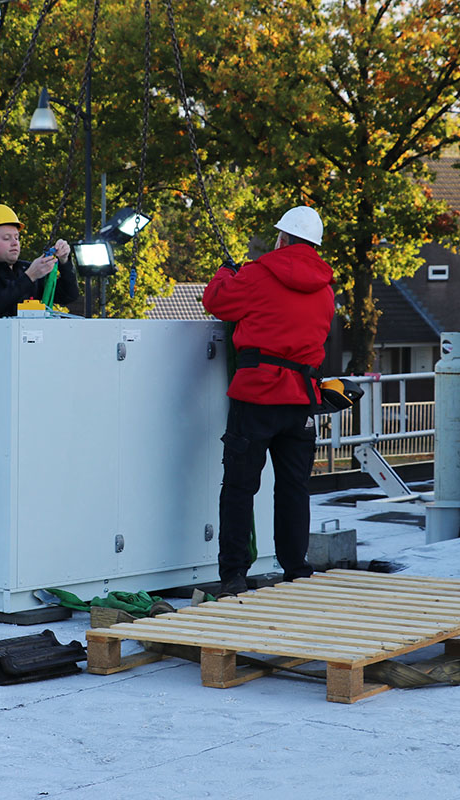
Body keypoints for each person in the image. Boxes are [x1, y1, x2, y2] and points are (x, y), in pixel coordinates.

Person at [201, 206, 336, 595]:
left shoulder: (258, 275)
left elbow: (218, 301)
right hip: (303, 399)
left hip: (257, 394)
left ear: (283, 238)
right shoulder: (325, 288)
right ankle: (295, 568)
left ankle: (233, 575)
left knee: (240, 487)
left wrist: (228, 272)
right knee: (294, 487)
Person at [0, 204, 79, 317]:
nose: (14, 243)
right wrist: (29, 277)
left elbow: (68, 296)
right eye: (6, 238)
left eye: (17, 237)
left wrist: (65, 262)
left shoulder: (26, 268)